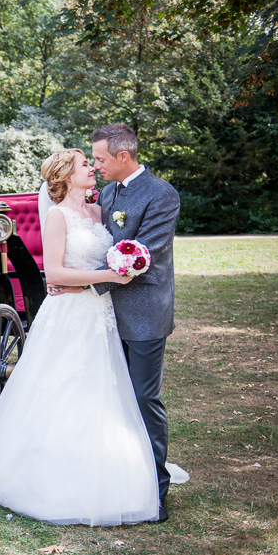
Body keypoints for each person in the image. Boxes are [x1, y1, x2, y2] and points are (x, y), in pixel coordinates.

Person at [0, 149, 161, 526]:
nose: (93, 168)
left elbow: (107, 254)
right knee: (63, 386)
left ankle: (108, 465)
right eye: (86, 165)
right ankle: (50, 475)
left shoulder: (101, 210)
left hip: (100, 315)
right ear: (67, 176)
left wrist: (122, 264)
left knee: (102, 387)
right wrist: (108, 276)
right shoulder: (57, 216)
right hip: (70, 314)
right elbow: (54, 274)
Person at [91, 123, 181, 522]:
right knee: (114, 398)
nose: (96, 167)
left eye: (101, 159)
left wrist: (83, 279)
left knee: (144, 399)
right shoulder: (108, 192)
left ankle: (156, 492)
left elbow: (143, 254)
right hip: (107, 313)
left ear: (123, 157)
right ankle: (122, 478)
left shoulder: (162, 194)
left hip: (145, 312)